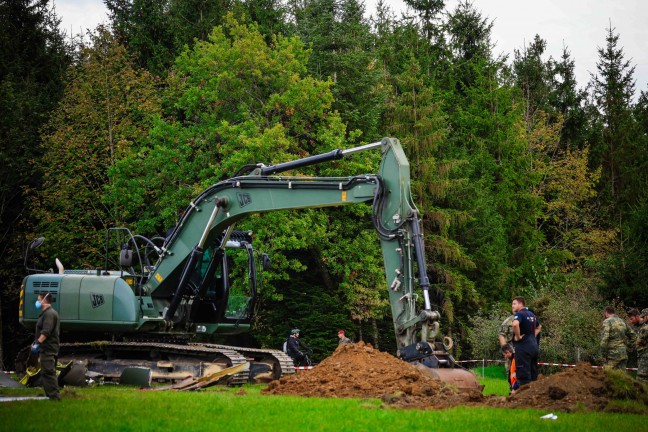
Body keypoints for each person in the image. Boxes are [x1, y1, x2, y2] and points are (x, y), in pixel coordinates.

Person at [31, 292, 61, 400]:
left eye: (39, 299)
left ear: (44, 300)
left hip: (48, 349)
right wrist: (35, 342)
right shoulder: (48, 313)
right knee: (46, 372)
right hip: (47, 348)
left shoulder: (49, 314)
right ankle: (51, 396)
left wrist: (38, 343)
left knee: (48, 373)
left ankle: (55, 397)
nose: (37, 302)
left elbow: (46, 332)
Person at [511, 296, 540, 386]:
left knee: (523, 376)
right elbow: (539, 327)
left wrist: (518, 337)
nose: (512, 306)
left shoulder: (520, 314)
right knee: (533, 373)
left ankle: (525, 397)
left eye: (514, 304)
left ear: (521, 303)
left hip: (524, 348)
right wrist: (531, 336)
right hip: (534, 346)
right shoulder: (531, 314)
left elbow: (515, 324)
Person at [600, 305, 634, 371]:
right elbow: (633, 336)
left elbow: (604, 339)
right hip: (623, 353)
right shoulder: (622, 321)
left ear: (606, 313)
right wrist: (628, 346)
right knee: (622, 377)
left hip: (612, 355)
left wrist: (603, 354)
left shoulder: (607, 321)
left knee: (608, 376)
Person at [635, 308, 648, 383]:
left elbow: (638, 343)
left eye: (643, 317)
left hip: (645, 358)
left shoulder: (645, 328)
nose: (642, 319)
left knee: (641, 378)